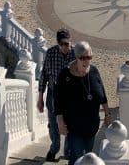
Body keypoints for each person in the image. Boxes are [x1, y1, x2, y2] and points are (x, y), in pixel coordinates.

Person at [51, 41, 107, 161]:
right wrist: (60, 123)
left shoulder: (94, 71)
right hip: (74, 128)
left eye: (89, 57)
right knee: (77, 158)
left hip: (92, 127)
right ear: (76, 57)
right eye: (83, 58)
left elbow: (102, 94)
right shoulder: (65, 75)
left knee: (88, 157)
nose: (86, 61)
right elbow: (57, 100)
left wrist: (107, 114)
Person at [38, 29, 76, 161]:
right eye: (61, 44)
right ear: (57, 43)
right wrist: (40, 98)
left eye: (66, 43)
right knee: (54, 126)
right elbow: (44, 75)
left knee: (69, 125)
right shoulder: (50, 53)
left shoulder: (76, 54)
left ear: (70, 41)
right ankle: (54, 148)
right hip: (53, 94)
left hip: (70, 97)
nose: (64, 47)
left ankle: (67, 153)